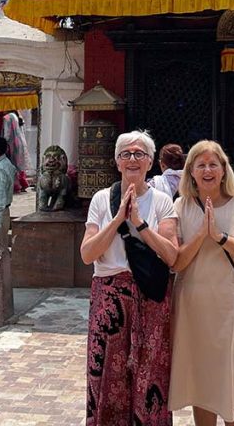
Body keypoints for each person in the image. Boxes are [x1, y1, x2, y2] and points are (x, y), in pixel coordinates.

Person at [80, 130, 178, 425]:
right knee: (108, 370)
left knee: (150, 371)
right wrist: (117, 220)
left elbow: (171, 255)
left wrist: (140, 223)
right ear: (117, 162)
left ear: (150, 162)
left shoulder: (162, 202)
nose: (132, 159)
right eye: (126, 154)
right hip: (109, 297)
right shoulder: (101, 199)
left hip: (150, 296)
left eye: (139, 154)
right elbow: (87, 253)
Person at [170, 140, 234, 425]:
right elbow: (176, 263)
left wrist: (221, 237)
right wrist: (202, 234)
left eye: (213, 164)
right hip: (194, 310)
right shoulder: (181, 205)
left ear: (224, 170)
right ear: (191, 172)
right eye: (200, 165)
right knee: (201, 382)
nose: (207, 170)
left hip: (231, 308)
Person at [0, 110, 32, 193]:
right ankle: (22, 183)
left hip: (10, 144)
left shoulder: (6, 118)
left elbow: (7, 134)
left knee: (11, 164)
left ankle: (14, 185)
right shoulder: (16, 116)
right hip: (18, 142)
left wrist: (3, 143)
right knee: (18, 164)